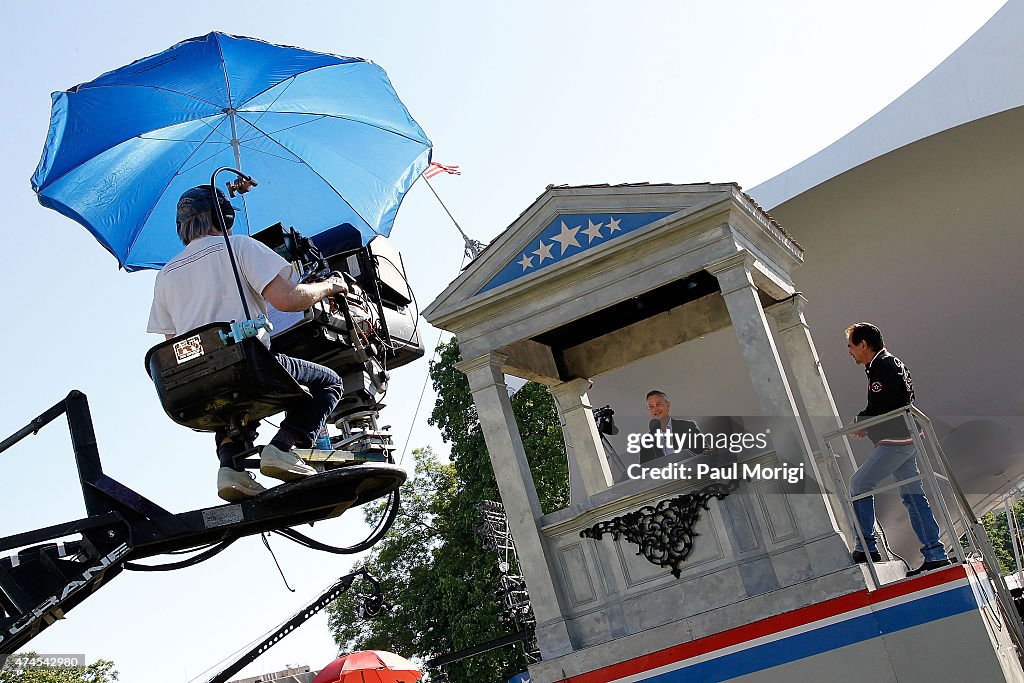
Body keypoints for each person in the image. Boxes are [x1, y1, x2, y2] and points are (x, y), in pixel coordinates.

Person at [148, 185, 349, 502]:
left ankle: (231, 469)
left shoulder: (165, 276)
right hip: (248, 366)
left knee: (226, 395)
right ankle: (284, 448)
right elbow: (288, 300)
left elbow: (176, 344)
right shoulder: (239, 247)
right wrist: (330, 285)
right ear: (222, 215)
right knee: (329, 383)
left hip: (192, 384)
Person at [845, 322, 950, 575]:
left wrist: (863, 422)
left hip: (897, 439)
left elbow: (887, 403)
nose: (849, 352)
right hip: (907, 437)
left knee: (859, 484)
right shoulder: (888, 364)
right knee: (913, 495)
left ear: (863, 344)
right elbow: (895, 399)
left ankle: (866, 547)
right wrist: (866, 421)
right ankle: (935, 553)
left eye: (850, 346)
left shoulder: (883, 365)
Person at [639, 390, 706, 464]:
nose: (655, 409)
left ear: (667, 405)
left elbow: (705, 451)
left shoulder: (688, 426)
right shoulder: (646, 439)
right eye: (651, 406)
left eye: (658, 404)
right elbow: (644, 467)